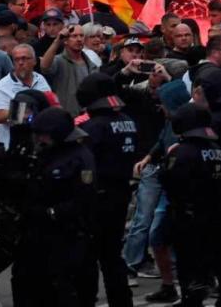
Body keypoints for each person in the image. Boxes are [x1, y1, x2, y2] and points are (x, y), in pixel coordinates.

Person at [11, 107, 95, 304]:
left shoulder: (80, 157)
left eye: (44, 135)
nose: (40, 140)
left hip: (66, 234)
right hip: (39, 234)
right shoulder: (46, 153)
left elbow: (83, 198)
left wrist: (51, 213)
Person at [75, 73, 137, 307]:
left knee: (88, 258)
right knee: (112, 256)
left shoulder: (92, 127)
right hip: (121, 193)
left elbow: (83, 162)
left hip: (96, 197)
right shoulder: (128, 120)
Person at [159, 104, 221, 307]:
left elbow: (168, 180)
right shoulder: (216, 149)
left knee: (188, 260)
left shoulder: (181, 152)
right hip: (215, 212)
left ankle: (192, 296)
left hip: (187, 215)